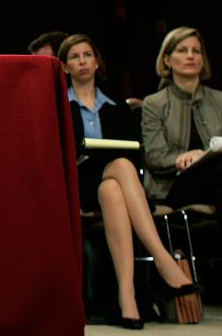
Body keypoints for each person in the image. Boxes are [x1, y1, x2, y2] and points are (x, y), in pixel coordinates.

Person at [59, 34, 198, 328]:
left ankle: (127, 299)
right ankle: (163, 260)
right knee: (120, 167)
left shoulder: (117, 108)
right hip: (78, 185)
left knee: (113, 186)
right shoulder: (59, 107)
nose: (82, 61)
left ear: (97, 62)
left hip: (115, 185)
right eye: (74, 57)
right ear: (65, 67)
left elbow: (134, 155)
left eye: (87, 55)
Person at [142, 27, 222, 214]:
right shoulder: (154, 103)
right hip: (175, 185)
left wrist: (203, 156)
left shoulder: (220, 100)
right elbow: (155, 156)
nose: (190, 56)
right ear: (167, 60)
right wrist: (182, 159)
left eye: (196, 51)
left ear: (203, 59)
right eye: (182, 50)